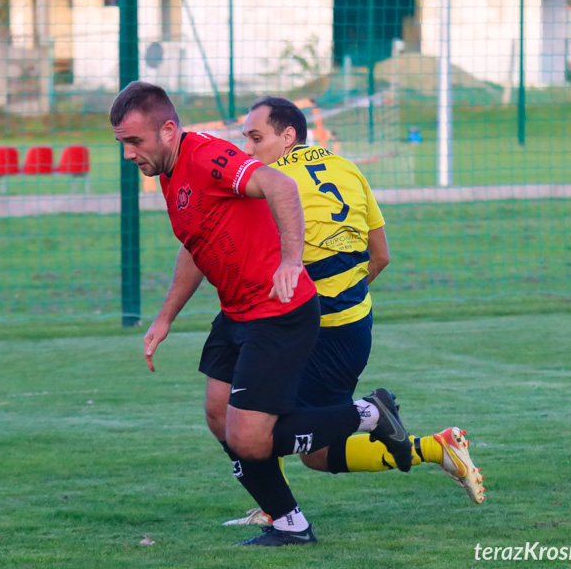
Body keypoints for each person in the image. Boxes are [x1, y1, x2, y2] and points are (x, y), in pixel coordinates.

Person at [110, 81, 414, 547]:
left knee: (251, 439)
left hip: (278, 312)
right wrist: (165, 316)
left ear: (168, 130)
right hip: (236, 312)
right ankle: (289, 522)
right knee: (218, 416)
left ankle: (369, 414)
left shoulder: (209, 156)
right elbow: (196, 244)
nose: (129, 153)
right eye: (122, 143)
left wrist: (293, 260)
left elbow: (281, 185)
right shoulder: (170, 173)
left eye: (135, 141)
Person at [221, 96, 485, 527]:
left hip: (308, 330)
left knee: (268, 425)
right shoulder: (349, 168)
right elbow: (380, 255)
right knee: (316, 451)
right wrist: (344, 293)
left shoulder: (272, 183)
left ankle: (278, 511)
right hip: (354, 328)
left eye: (255, 137)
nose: (248, 149)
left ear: (287, 137)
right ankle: (439, 447)